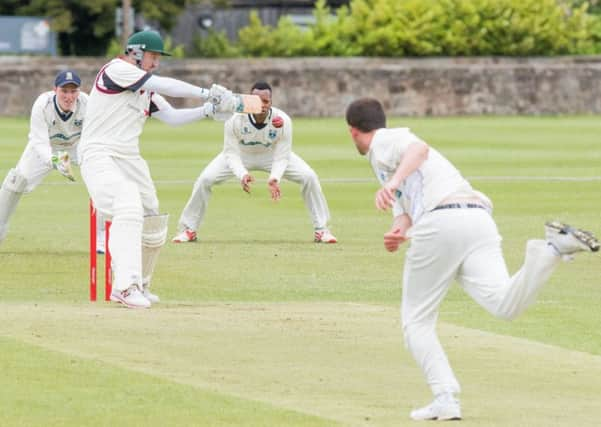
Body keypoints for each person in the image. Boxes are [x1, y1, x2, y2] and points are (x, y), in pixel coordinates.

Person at [345, 97, 599, 421]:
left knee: (416, 322)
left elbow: (418, 149)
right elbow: (406, 211)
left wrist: (394, 183)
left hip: (442, 224)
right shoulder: (385, 161)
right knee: (504, 305)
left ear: (353, 131)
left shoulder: (386, 140)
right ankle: (551, 250)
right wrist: (398, 231)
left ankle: (445, 398)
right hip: (476, 219)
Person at [79, 30, 243, 309]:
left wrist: (207, 111)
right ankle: (124, 286)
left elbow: (172, 117)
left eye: (157, 58)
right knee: (126, 204)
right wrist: (207, 93)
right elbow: (166, 84)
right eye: (153, 56)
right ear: (137, 53)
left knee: (152, 215)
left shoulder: (145, 90)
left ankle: (141, 283)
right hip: (99, 153)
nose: (155, 62)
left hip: (130, 157)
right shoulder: (117, 69)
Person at [172, 81, 337, 244]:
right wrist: (242, 174)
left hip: (271, 155)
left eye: (266, 101)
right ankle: (189, 229)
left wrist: (275, 178)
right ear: (249, 100)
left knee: (309, 176)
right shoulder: (234, 119)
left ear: (271, 102)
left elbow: (282, 156)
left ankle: (321, 230)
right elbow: (230, 153)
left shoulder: (282, 120)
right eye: (257, 100)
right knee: (205, 180)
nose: (262, 105)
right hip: (241, 155)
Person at [0, 70, 106, 251]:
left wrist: (88, 159)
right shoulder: (43, 104)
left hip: (76, 147)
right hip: (46, 147)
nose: (69, 96)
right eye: (64, 91)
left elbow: (93, 136)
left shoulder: (87, 103)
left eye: (73, 91)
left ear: (79, 92)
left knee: (103, 179)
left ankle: (102, 238)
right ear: (55, 90)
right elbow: (39, 142)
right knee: (16, 181)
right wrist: (55, 160)